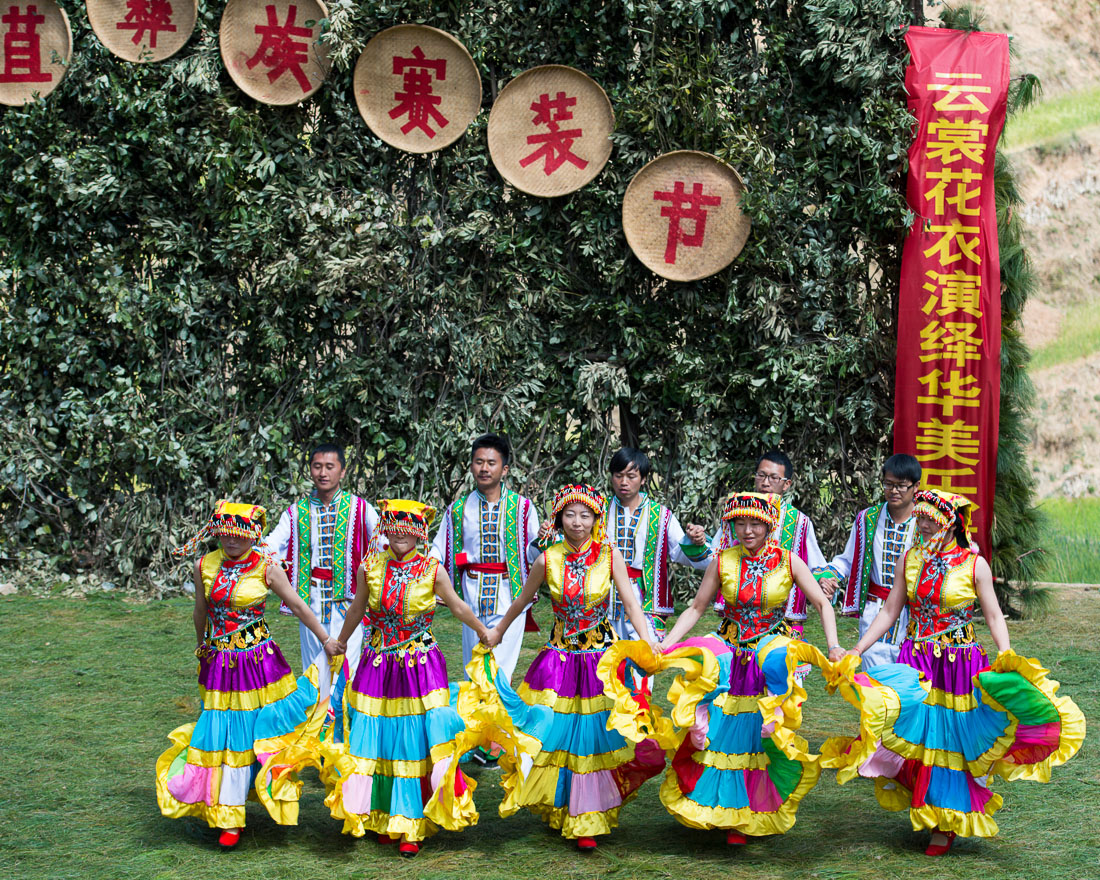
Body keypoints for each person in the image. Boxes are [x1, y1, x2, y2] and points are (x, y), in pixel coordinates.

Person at [827, 489, 1085, 856]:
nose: (924, 525)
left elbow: (993, 614)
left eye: (932, 519)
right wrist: (857, 649)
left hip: (958, 666)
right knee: (919, 736)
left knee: (951, 743)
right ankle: (930, 810)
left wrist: (1006, 652)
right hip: (916, 661)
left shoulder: (973, 564)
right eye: (920, 519)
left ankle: (945, 823)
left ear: (952, 523)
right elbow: (889, 612)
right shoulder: (910, 560)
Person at [476, 484, 664, 851]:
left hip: (599, 662)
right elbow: (522, 600)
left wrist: (648, 639)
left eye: (585, 515)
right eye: (569, 515)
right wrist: (498, 629)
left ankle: (588, 817)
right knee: (555, 734)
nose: (577, 522)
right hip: (559, 661)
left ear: (596, 519)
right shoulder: (548, 559)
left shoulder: (610, 557)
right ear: (559, 518)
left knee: (594, 737)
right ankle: (563, 804)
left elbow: (630, 603)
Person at [656, 492, 846, 845]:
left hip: (766, 654)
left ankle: (747, 814)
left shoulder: (789, 561)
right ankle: (722, 810)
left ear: (769, 525)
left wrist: (834, 646)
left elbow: (820, 602)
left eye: (754, 524)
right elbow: (697, 608)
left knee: (757, 734)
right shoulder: (722, 560)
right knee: (723, 731)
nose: (746, 530)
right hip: (729, 652)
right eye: (739, 523)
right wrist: (668, 643)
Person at [156, 500, 342, 849]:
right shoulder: (205, 565)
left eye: (239, 536)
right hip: (220, 662)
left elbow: (299, 604)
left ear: (253, 536)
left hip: (259, 665)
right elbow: (200, 610)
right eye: (225, 535)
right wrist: (202, 649)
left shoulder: (267, 567)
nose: (231, 542)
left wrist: (326, 639)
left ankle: (242, 807)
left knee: (256, 731)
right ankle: (228, 812)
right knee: (222, 733)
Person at [322, 499, 487, 858]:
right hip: (378, 664)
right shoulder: (371, 567)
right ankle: (383, 816)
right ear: (385, 528)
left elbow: (457, 605)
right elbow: (357, 608)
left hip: (419, 667)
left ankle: (410, 821)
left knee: (414, 739)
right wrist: (341, 641)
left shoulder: (432, 568)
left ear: (419, 532)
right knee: (378, 738)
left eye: (408, 528)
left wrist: (482, 630)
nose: (400, 534)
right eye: (394, 527)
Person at [265, 443, 379, 739]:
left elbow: (383, 543)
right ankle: (320, 736)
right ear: (309, 470)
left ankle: (348, 736)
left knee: (348, 666)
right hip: (311, 601)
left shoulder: (360, 509)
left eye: (330, 467)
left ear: (342, 470)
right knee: (315, 669)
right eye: (317, 466)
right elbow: (272, 544)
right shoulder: (295, 513)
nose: (323, 472)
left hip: (350, 603)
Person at [430, 433, 541, 684]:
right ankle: (478, 722)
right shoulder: (458, 509)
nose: (484, 468)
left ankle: (500, 721)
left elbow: (533, 555)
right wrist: (423, 565)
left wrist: (542, 541)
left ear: (504, 469)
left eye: (491, 463)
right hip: (471, 595)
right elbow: (439, 548)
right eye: (478, 462)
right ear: (471, 466)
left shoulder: (522, 508)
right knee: (474, 666)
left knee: (501, 669)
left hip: (510, 594)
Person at [817, 453, 921, 667]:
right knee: (874, 682)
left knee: (913, 681)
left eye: (901, 486)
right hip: (875, 610)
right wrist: (828, 576)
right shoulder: (868, 518)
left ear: (916, 486)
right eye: (888, 484)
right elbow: (847, 560)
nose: (893, 491)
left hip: (915, 615)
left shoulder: (925, 522)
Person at [712, 451, 828, 634]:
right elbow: (715, 556)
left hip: (786, 619)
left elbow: (816, 563)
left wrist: (824, 579)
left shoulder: (799, 521)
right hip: (740, 618)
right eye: (761, 475)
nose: (765, 483)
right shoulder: (736, 514)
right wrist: (696, 544)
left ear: (786, 484)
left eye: (774, 477)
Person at [604, 447, 710, 641]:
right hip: (605, 596)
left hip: (645, 598)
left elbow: (679, 551)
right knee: (602, 662)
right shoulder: (598, 512)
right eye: (618, 475)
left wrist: (695, 542)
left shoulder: (660, 515)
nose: (624, 482)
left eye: (631, 476)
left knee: (644, 660)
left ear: (643, 479)